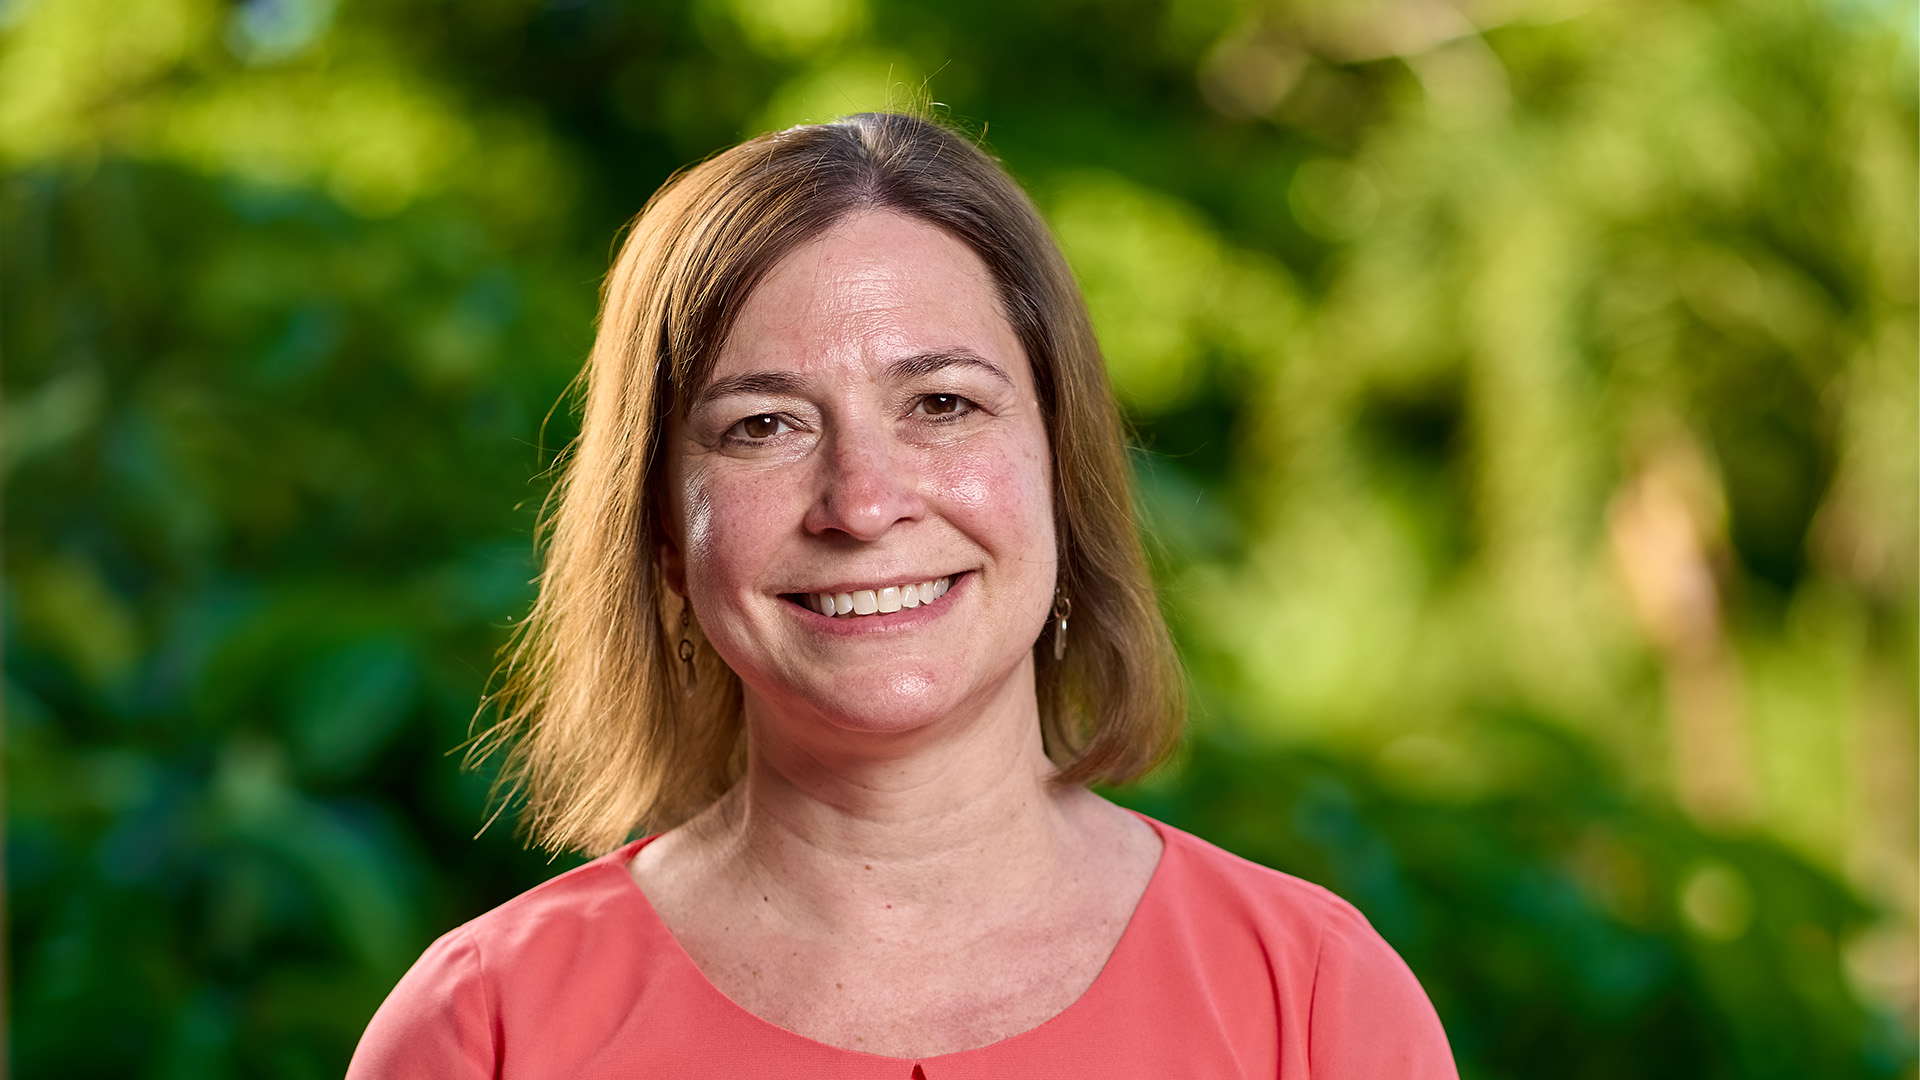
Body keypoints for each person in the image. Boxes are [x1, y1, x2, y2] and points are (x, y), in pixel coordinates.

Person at [347, 112, 1457, 1079]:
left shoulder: (1312, 1001)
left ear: (1061, 471)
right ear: (662, 536)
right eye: (762, 426)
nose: (863, 504)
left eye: (940, 403)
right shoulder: (485, 1033)